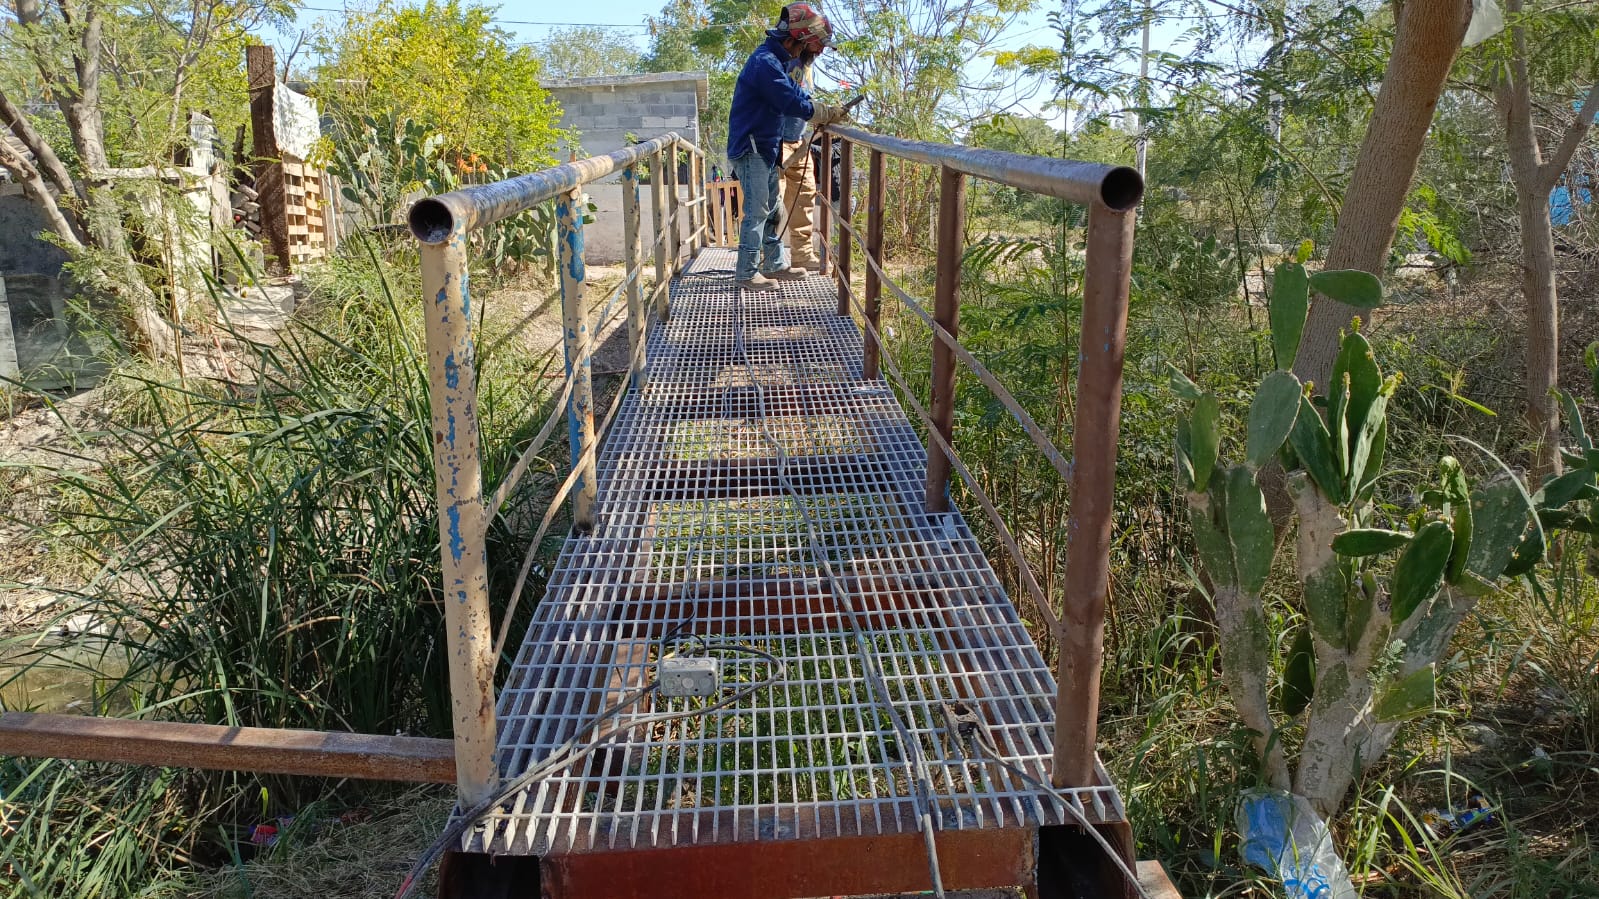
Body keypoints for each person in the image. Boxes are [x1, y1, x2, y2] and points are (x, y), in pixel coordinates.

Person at [726, 2, 848, 291]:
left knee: (774, 208)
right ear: (799, 40)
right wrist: (819, 113)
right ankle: (745, 272)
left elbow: (794, 92)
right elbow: (788, 100)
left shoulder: (776, 62)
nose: (811, 56)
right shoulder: (765, 63)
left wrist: (822, 107)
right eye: (811, 49)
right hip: (752, 147)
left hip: (766, 146)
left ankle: (774, 264)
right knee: (758, 209)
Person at [777, 5, 822, 273]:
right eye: (816, 44)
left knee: (805, 196)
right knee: (770, 202)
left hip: (798, 139)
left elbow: (804, 98)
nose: (820, 51)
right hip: (774, 141)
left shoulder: (807, 66)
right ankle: (765, 258)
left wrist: (821, 113)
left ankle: (802, 254)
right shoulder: (778, 59)